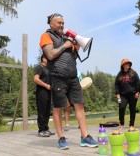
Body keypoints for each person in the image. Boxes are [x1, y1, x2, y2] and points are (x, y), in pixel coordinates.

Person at [39, 13, 98, 150]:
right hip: (57, 77)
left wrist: (76, 47)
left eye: (63, 23)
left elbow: (70, 59)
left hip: (73, 78)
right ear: (51, 24)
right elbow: (51, 55)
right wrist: (65, 45)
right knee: (58, 107)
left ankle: (85, 136)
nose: (62, 25)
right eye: (59, 22)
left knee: (79, 105)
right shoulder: (46, 36)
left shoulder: (67, 38)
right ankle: (61, 138)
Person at [115, 58, 140, 130]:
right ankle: (121, 124)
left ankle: (131, 125)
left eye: (128, 63)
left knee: (132, 109)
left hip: (133, 94)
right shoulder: (119, 75)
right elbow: (116, 85)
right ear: (123, 65)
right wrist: (117, 94)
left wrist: (137, 92)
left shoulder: (133, 73)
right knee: (122, 107)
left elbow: (138, 83)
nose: (127, 65)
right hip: (123, 95)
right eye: (126, 64)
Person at [34, 54, 55, 137]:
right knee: (42, 110)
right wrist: (46, 85)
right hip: (41, 91)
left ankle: (46, 128)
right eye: (48, 58)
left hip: (49, 92)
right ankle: (41, 130)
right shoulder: (39, 67)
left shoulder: (48, 69)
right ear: (43, 59)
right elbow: (36, 79)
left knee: (47, 111)